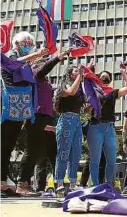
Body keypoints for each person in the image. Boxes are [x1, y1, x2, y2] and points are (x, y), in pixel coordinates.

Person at [1, 32, 47, 197]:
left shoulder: (27, 64)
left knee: (9, 146)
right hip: (6, 106)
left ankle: (4, 184)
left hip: (19, 109)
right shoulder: (10, 57)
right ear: (16, 43)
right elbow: (13, 65)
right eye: (24, 42)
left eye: (30, 42)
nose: (27, 45)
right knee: (3, 146)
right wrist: (37, 55)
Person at [16, 51, 69, 195]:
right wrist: (57, 58)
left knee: (36, 151)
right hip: (35, 116)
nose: (43, 63)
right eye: (41, 62)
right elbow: (45, 68)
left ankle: (26, 183)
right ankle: (22, 184)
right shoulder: (35, 75)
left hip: (43, 116)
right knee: (31, 150)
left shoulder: (44, 81)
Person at [87, 68, 127, 187]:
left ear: (110, 80)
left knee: (112, 159)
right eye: (102, 76)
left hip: (109, 128)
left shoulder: (112, 92)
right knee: (95, 159)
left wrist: (123, 73)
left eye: (106, 76)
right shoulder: (93, 91)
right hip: (96, 126)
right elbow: (87, 109)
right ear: (98, 79)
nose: (104, 78)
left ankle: (109, 185)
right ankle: (95, 185)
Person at [54, 65, 84, 194]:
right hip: (66, 118)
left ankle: (72, 183)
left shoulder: (80, 88)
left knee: (76, 153)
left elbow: (84, 103)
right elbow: (70, 91)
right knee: (64, 152)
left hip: (77, 120)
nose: (78, 73)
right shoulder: (64, 85)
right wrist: (80, 76)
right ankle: (59, 182)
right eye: (76, 71)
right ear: (69, 74)